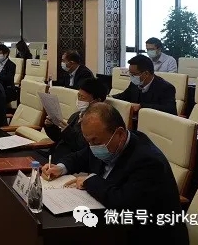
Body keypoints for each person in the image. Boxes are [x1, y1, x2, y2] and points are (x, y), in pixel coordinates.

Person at [42, 103, 188, 245]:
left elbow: (123, 202)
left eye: (95, 141)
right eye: (88, 141)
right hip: (113, 227)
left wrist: (90, 180)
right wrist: (60, 168)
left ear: (120, 134)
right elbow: (80, 157)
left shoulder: (148, 161)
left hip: (149, 236)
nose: (92, 147)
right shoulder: (102, 142)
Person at [44, 78, 108, 163]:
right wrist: (50, 126)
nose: (79, 100)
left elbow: (82, 147)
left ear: (97, 101)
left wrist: (67, 131)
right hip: (54, 155)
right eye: (78, 96)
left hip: (69, 162)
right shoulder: (76, 115)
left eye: (82, 98)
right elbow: (60, 139)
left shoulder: (98, 123)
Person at [112, 54, 177, 115]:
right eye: (130, 74)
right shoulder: (134, 84)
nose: (131, 77)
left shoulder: (166, 88)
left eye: (134, 74)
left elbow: (170, 110)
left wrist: (141, 106)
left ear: (146, 74)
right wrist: (110, 98)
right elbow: (123, 96)